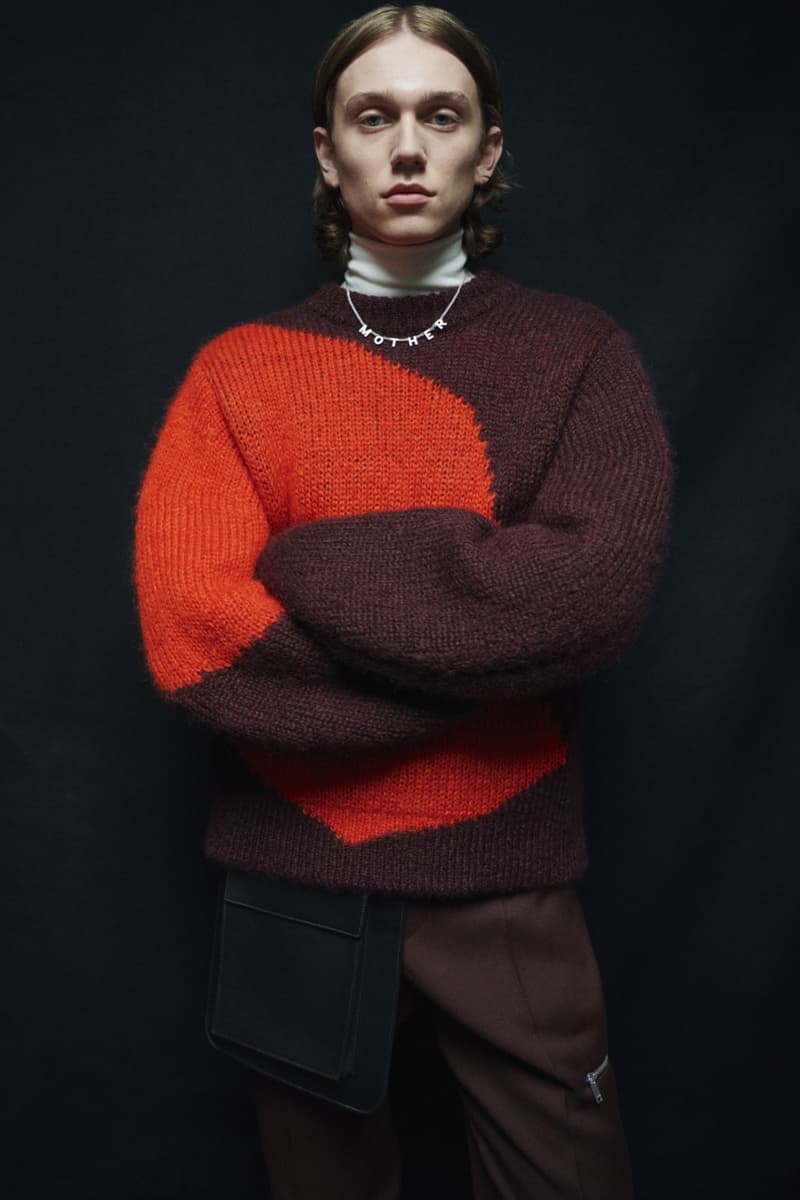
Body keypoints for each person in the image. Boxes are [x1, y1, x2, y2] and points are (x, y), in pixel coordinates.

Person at [133, 4, 673, 1197]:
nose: (409, 146)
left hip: (504, 875)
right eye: (373, 117)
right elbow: (197, 642)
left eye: (442, 114)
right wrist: (471, 658)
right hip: (296, 875)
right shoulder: (236, 373)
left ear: (488, 147)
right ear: (327, 153)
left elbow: (588, 596)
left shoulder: (579, 354)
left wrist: (303, 566)